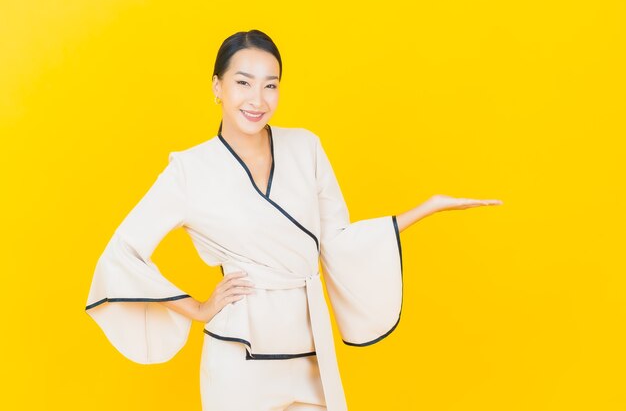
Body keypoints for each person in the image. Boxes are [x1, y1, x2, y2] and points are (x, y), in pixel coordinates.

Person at [84, 29, 503, 411]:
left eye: (271, 85)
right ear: (217, 87)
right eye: (243, 83)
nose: (258, 99)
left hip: (310, 351)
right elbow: (122, 254)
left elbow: (337, 242)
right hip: (238, 358)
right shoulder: (189, 170)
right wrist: (197, 308)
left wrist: (424, 208)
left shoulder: (306, 147)